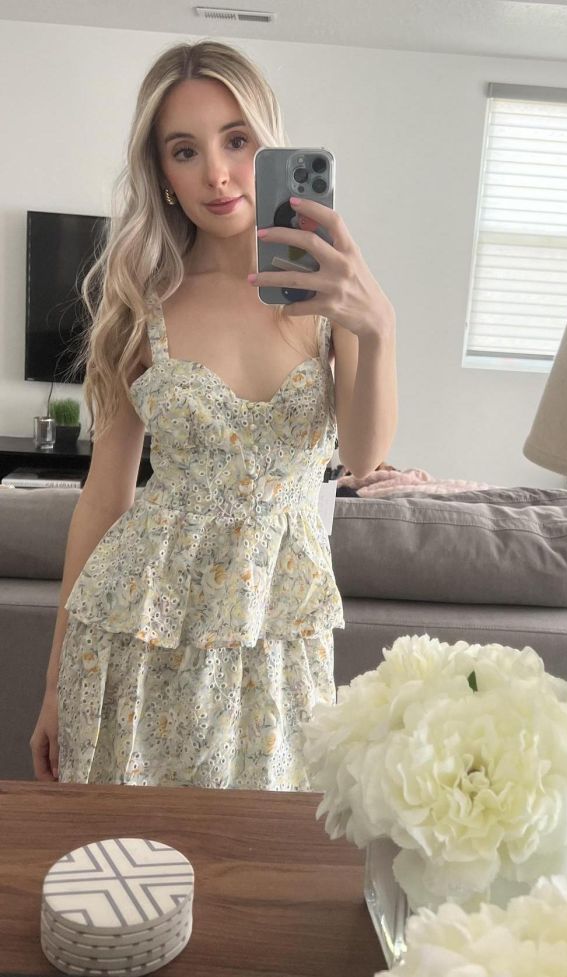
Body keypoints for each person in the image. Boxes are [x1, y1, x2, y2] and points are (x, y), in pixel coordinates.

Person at [29, 39, 398, 790]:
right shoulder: (139, 308)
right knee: (134, 843)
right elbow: (103, 499)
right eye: (185, 151)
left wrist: (377, 326)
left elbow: (364, 457)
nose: (217, 174)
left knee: (263, 840)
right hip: (140, 632)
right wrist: (53, 678)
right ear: (161, 173)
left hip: (277, 632)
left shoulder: (329, 298)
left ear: (271, 145)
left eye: (236, 140)